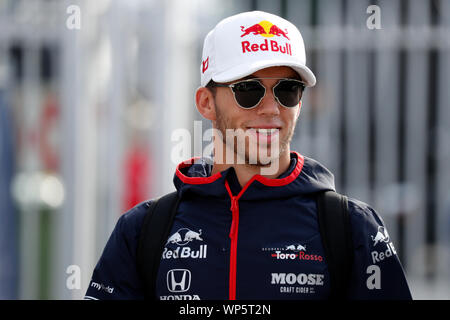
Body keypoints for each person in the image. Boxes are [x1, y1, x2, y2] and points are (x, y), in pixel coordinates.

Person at [84, 10, 412, 300]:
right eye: (249, 90)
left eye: (287, 90)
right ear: (206, 103)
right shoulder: (142, 230)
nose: (271, 109)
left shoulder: (352, 228)